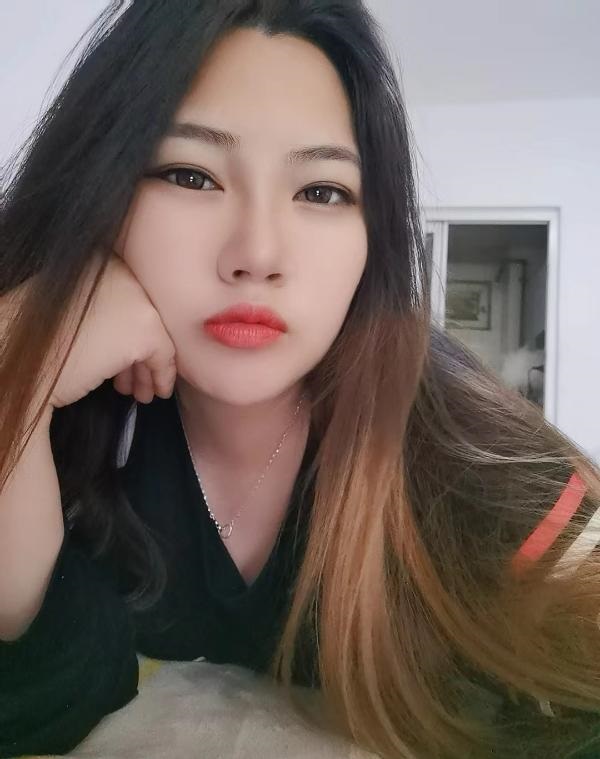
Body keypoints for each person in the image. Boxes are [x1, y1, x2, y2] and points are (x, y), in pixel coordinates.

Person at [1, 2, 599, 758]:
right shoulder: (81, 410)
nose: (257, 254)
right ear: (104, 195)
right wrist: (15, 368)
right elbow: (42, 681)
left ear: (373, 238)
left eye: (321, 191)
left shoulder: (468, 453)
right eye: (191, 175)